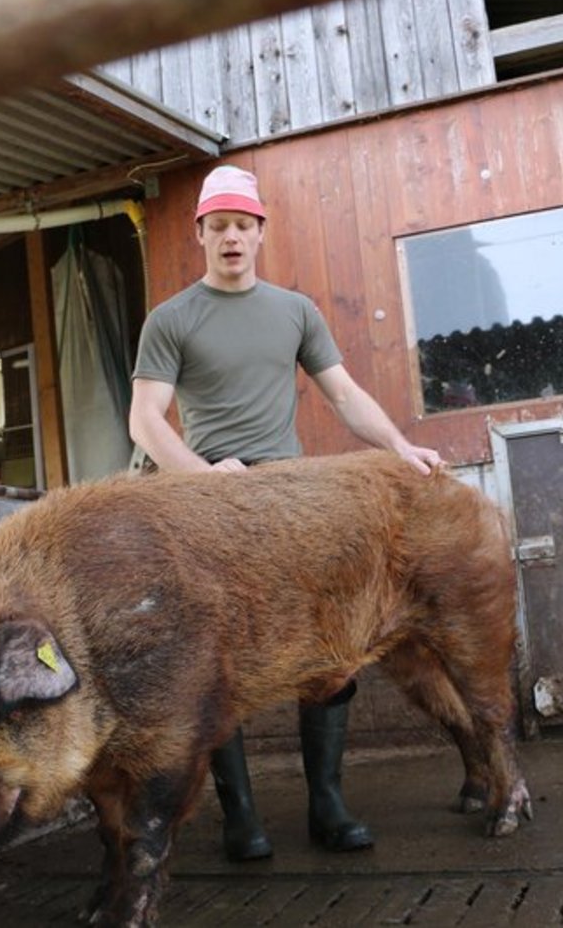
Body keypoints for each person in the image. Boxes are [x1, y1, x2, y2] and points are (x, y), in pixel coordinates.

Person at [128, 164, 441, 861]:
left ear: (260, 232)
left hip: (287, 502)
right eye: (219, 225)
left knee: (327, 648)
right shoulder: (171, 318)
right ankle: (242, 817)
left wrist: (398, 444)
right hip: (207, 500)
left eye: (243, 224)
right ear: (201, 233)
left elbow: (343, 391)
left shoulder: (295, 310)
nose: (232, 236)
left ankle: (326, 803)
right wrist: (205, 478)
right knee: (217, 659)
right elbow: (145, 419)